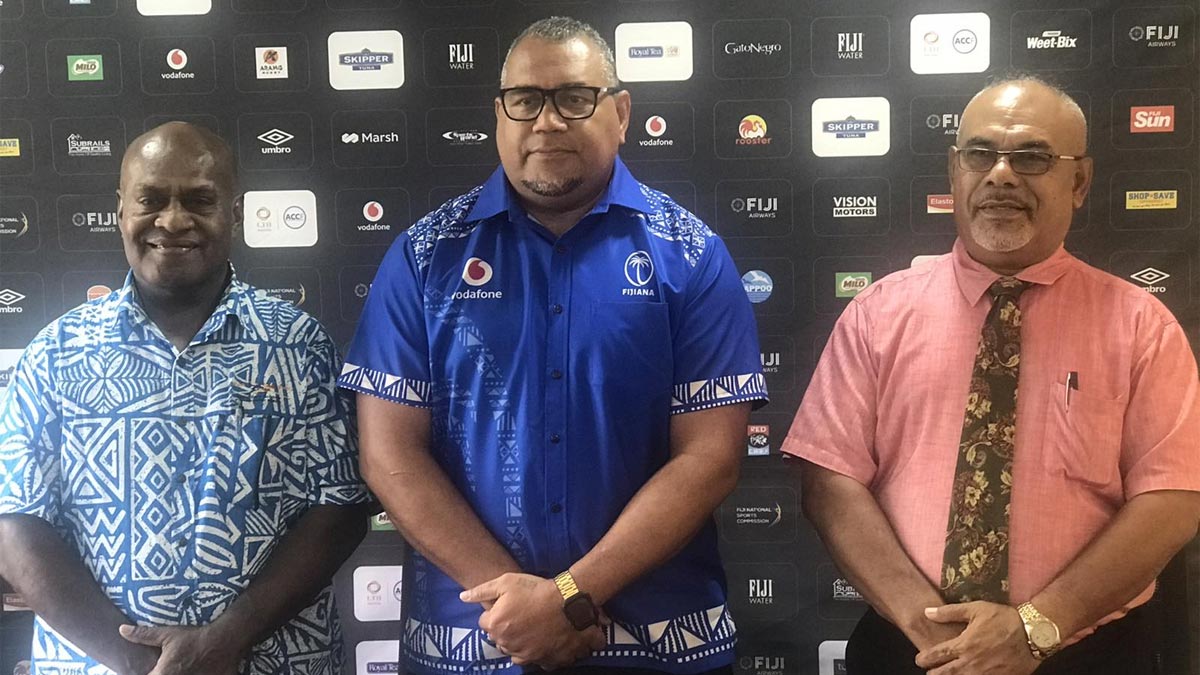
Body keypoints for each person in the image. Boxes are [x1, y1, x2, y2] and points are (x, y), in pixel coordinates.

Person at [339, 16, 766, 675]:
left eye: (574, 98)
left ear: (621, 114)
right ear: (499, 115)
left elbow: (709, 458)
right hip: (472, 640)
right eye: (525, 100)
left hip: (659, 643)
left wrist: (567, 597)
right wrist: (521, 611)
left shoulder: (691, 255)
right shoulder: (425, 257)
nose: (546, 122)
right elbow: (389, 453)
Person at [784, 76, 1200, 674]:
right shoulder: (877, 314)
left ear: (1079, 182)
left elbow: (1170, 501)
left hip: (1086, 652)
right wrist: (933, 632)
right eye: (980, 154)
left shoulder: (1142, 327)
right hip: (911, 648)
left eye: (1031, 157)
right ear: (954, 171)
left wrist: (1036, 626)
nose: (1001, 175)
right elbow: (830, 482)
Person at [0, 122, 370, 675]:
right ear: (120, 210)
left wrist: (224, 640)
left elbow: (339, 509)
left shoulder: (298, 345)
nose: (173, 221)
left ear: (235, 214)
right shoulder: (56, 352)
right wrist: (141, 663)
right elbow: (16, 524)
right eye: (151, 199)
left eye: (199, 200)